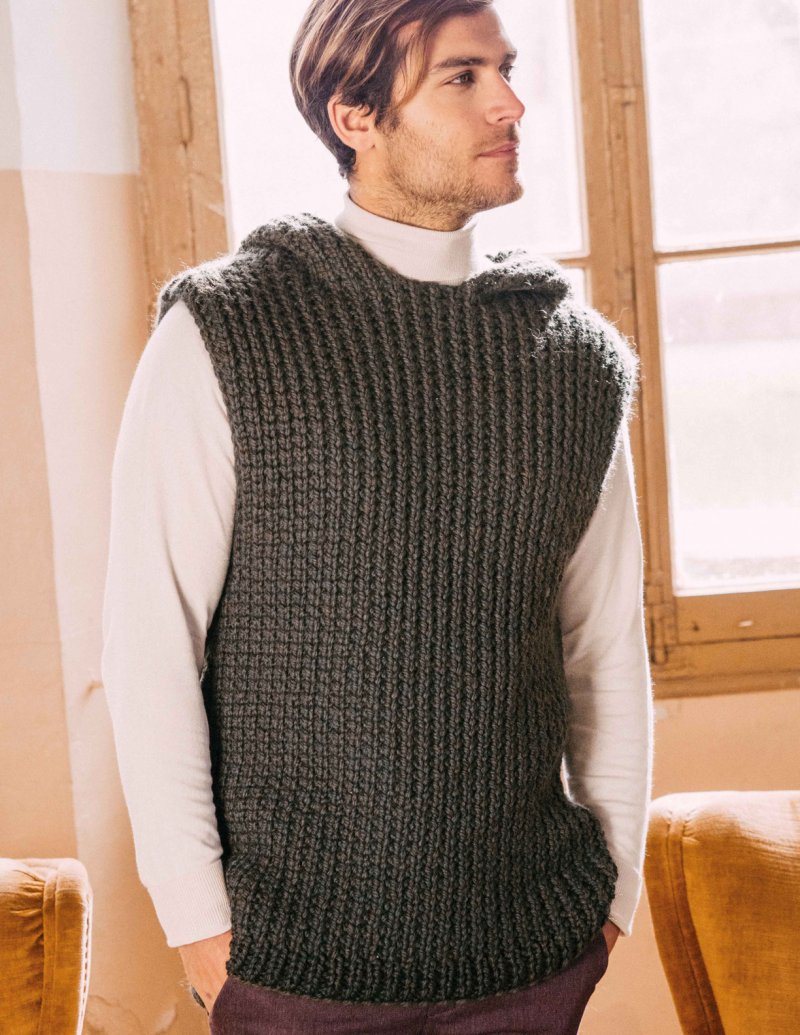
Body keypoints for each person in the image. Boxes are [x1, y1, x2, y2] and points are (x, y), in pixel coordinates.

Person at [101, 0, 654, 1031]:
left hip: (532, 956)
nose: (510, 103)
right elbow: (150, 642)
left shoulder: (574, 361)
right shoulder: (227, 329)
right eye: (462, 76)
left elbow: (604, 648)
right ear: (354, 115)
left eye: (506, 68)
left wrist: (613, 893)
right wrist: (198, 922)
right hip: (290, 964)